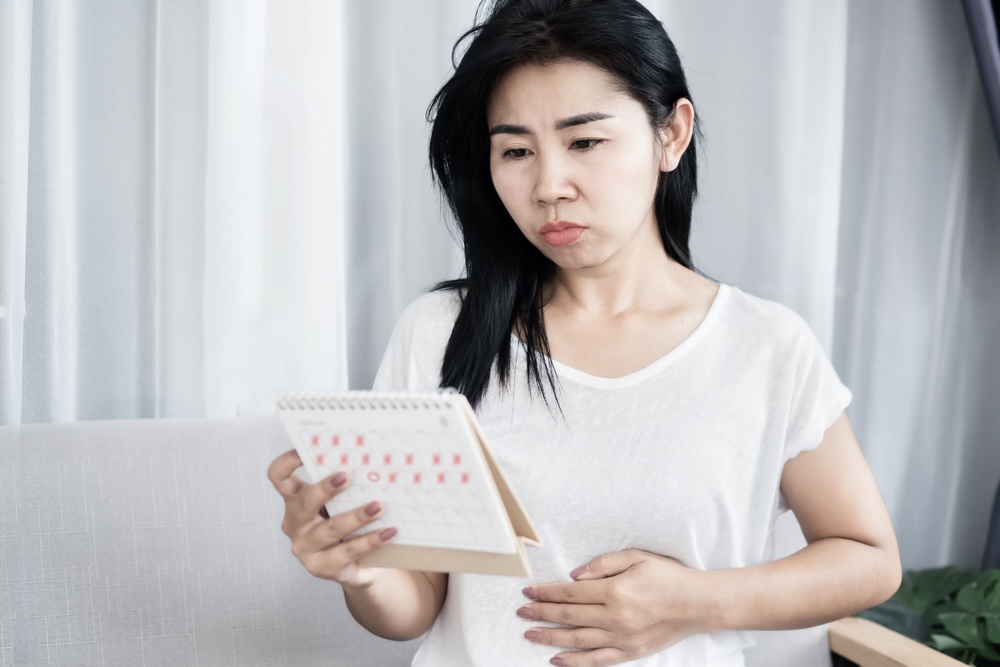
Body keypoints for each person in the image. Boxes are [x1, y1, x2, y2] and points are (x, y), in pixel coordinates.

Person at [267, 0, 902, 665]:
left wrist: (696, 602)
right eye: (515, 150)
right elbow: (417, 602)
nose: (548, 185)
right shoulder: (440, 332)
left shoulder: (766, 347)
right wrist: (359, 568)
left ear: (671, 134)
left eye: (585, 141)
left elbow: (868, 558)